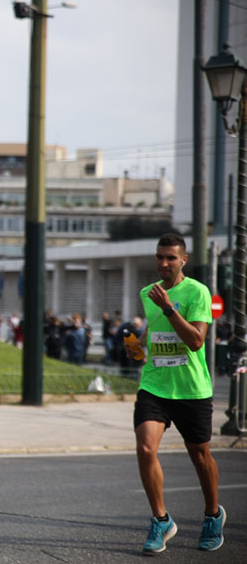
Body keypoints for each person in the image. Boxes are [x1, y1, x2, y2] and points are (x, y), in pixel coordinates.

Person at [125, 233, 225, 554]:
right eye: (159, 257)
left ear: (184, 260)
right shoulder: (147, 293)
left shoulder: (197, 291)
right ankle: (161, 520)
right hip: (154, 386)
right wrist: (138, 345)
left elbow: (196, 340)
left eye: (171, 257)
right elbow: (154, 329)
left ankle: (212, 515)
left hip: (191, 388)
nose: (164, 263)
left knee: (200, 456)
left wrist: (168, 308)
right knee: (145, 448)